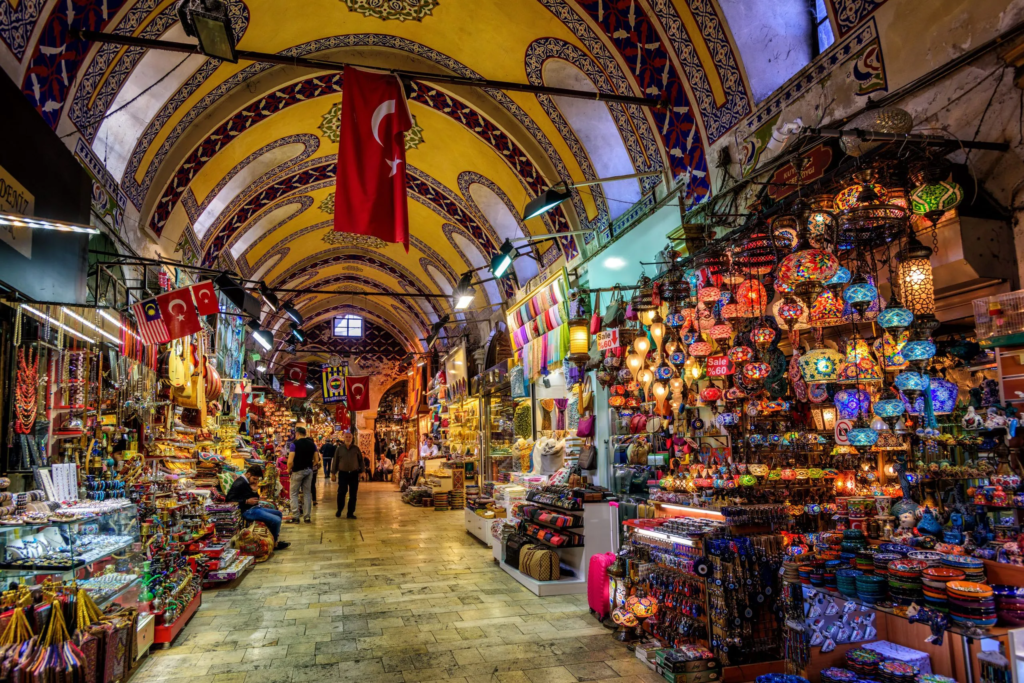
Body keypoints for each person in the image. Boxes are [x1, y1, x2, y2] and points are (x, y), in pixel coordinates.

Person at [227, 465, 289, 550]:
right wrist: (246, 501)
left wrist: (254, 490)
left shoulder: (247, 482)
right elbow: (229, 498)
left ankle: (271, 539)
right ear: (248, 474)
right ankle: (274, 544)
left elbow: (252, 496)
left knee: (278, 514)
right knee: (276, 520)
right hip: (248, 511)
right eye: (254, 479)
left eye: (257, 479)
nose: (255, 481)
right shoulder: (239, 483)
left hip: (255, 508)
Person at [287, 426, 317, 524]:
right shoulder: (313, 444)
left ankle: (296, 516)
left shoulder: (294, 444)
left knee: (294, 493)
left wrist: (288, 469)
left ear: (298, 434)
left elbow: (290, 461)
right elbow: (316, 460)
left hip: (297, 471)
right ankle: (307, 517)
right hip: (308, 471)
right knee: (307, 493)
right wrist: (309, 465)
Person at [331, 431, 363, 519]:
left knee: (353, 494)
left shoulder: (356, 449)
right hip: (343, 474)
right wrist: (333, 473)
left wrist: (361, 472)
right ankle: (339, 509)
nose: (348, 438)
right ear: (344, 438)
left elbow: (361, 460)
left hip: (353, 474)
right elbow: (335, 461)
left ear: (352, 439)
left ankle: (350, 513)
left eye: (350, 437)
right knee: (341, 493)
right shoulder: (339, 449)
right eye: (347, 437)